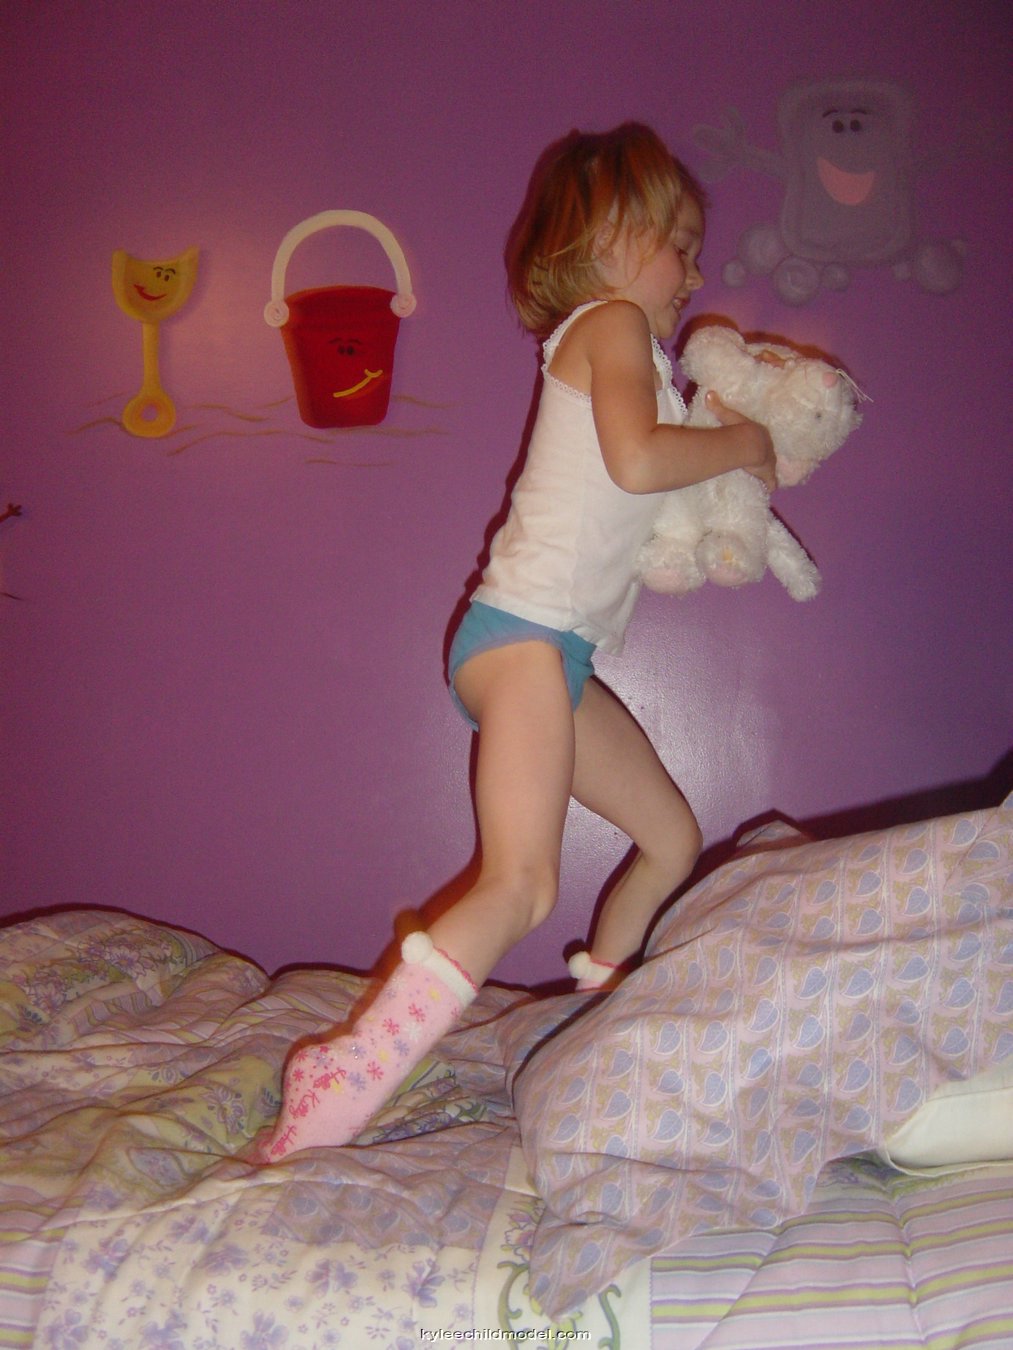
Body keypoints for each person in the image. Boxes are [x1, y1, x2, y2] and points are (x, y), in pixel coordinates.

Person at [257, 123, 776, 1161]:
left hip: (553, 653)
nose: (695, 271)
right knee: (522, 882)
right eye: (678, 243)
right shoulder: (610, 321)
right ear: (606, 238)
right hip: (521, 637)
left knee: (671, 839)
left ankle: (598, 1026)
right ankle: (344, 1071)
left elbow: (634, 479)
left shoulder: (627, 348)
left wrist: (718, 448)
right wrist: (742, 442)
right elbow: (636, 462)